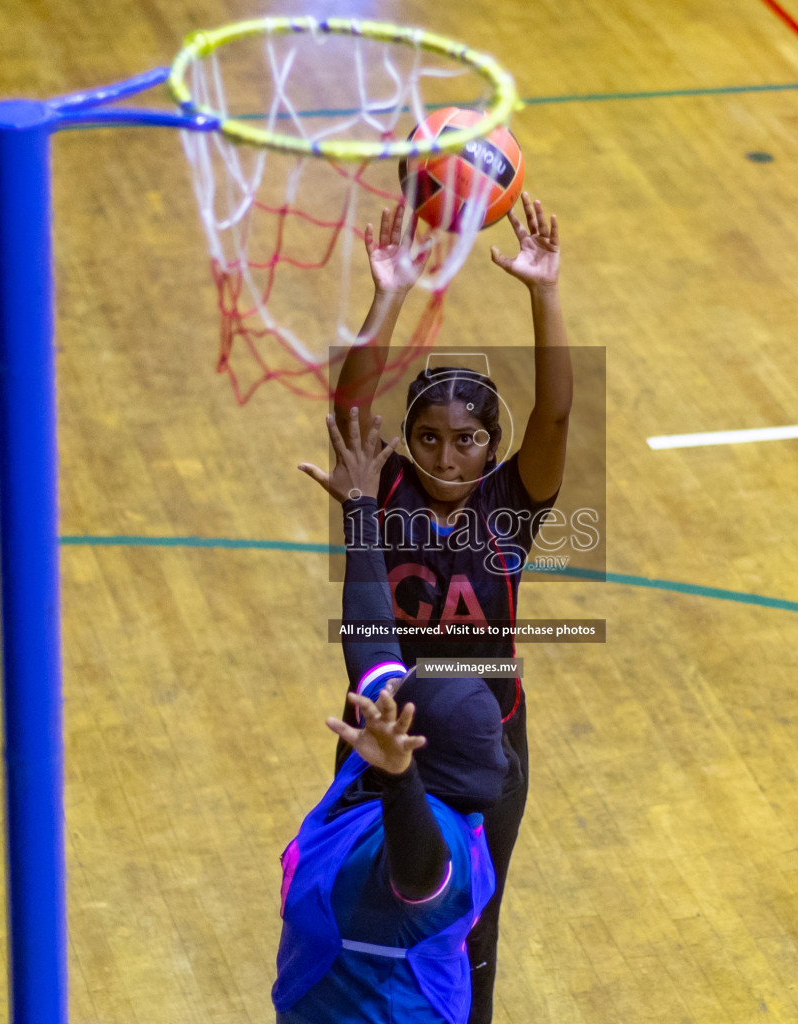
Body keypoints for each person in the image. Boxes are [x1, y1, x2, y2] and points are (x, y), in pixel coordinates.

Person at [314, 193, 572, 1023]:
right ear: (408, 440)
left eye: (467, 440)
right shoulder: (382, 486)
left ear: (493, 448)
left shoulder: (513, 503)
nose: (447, 453)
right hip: (389, 719)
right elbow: (351, 410)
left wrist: (544, 290)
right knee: (378, 895)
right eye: (428, 436)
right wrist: (388, 291)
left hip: (488, 733)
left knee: (473, 922)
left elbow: (558, 412)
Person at [277, 410, 509, 1024]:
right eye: (491, 744)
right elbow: (373, 639)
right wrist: (360, 506)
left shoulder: (443, 847)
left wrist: (403, 779)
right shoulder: (382, 736)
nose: (506, 759)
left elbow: (418, 869)